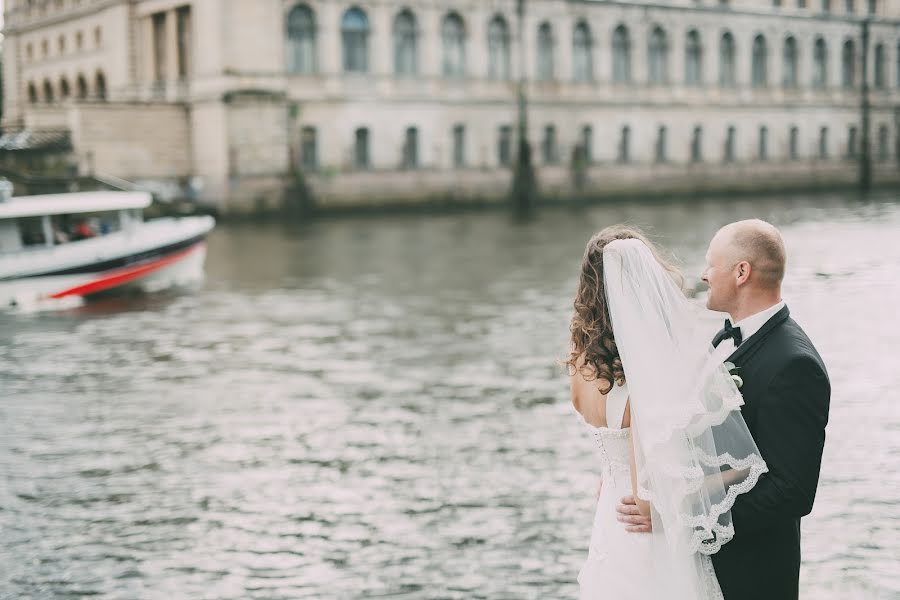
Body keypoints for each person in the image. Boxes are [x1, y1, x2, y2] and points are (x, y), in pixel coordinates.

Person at [614, 220, 830, 599]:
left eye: (711, 264)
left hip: (752, 575)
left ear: (741, 272)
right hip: (703, 570)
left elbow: (791, 491)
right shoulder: (724, 338)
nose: (703, 275)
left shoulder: (795, 364)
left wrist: (685, 518)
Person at [569, 225, 769, 600]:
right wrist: (734, 471)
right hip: (647, 535)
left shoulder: (580, 367)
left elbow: (613, 455)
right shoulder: (648, 380)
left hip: (610, 529)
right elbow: (649, 494)